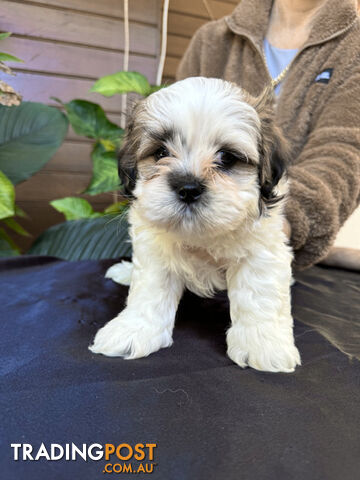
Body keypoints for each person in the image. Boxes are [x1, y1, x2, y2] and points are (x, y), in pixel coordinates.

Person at [176, 0, 360, 270]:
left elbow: (343, 152)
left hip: (277, 256)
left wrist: (282, 223)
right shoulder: (211, 40)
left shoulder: (354, 49)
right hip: (185, 244)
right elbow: (178, 135)